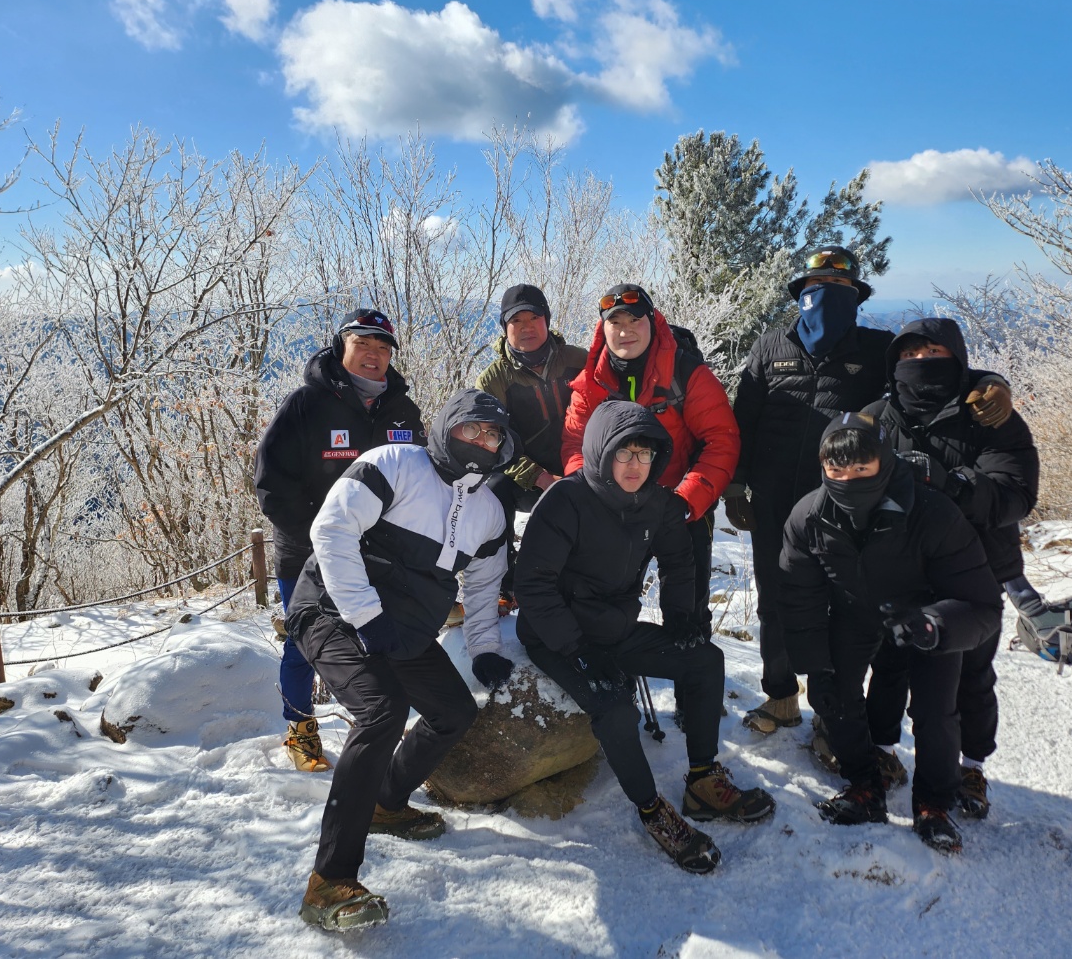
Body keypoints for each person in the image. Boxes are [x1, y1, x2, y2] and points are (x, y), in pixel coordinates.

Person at [727, 245, 1013, 736]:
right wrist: (736, 485)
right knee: (776, 601)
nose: (827, 296)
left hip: (843, 501)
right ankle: (780, 696)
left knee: (841, 609)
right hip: (772, 499)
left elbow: (932, 373)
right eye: (817, 287)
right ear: (801, 294)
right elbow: (744, 419)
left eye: (840, 288)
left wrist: (993, 382)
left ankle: (832, 713)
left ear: (856, 297)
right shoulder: (770, 346)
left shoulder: (876, 348)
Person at [288, 388, 515, 932]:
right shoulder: (395, 463)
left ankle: (386, 802)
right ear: (446, 428)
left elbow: (483, 587)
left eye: (493, 435)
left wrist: (484, 648)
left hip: (402, 629)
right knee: (382, 710)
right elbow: (331, 530)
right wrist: (367, 616)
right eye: (471, 429)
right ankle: (329, 881)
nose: (481, 441)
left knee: (453, 711)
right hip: (330, 610)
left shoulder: (488, 512)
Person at [516, 399, 774, 874]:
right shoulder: (565, 501)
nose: (635, 464)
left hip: (615, 628)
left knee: (705, 660)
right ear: (601, 452)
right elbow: (532, 586)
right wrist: (577, 650)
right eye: (623, 452)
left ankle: (702, 779)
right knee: (614, 707)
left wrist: (679, 618)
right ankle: (653, 811)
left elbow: (679, 560)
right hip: (558, 637)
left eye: (644, 453)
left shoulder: (657, 503)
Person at [778, 413, 1003, 854]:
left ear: (884, 461)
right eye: (836, 470)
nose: (848, 480)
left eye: (862, 468)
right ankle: (865, 785)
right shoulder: (809, 516)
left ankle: (933, 804)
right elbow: (798, 596)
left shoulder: (932, 512)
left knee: (935, 710)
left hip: (928, 616)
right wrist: (813, 663)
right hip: (855, 612)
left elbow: (983, 604)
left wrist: (935, 625)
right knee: (831, 693)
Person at [860, 317, 1041, 819]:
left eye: (933, 353)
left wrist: (953, 483)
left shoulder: (990, 416)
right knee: (890, 665)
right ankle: (883, 752)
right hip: (900, 567)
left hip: (975, 571)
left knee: (971, 676)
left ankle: (971, 767)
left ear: (956, 358)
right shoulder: (877, 417)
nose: (920, 363)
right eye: (910, 355)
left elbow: (1016, 494)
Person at [253, 308, 425, 772]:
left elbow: (419, 483)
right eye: (362, 344)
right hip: (305, 556)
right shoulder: (305, 405)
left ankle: (375, 721)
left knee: (379, 638)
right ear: (340, 347)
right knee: (302, 645)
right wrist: (323, 540)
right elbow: (272, 485)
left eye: (383, 347)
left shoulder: (403, 411)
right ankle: (299, 727)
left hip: (380, 558)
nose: (373, 355)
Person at [561, 284, 739, 631]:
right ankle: (610, 650)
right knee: (603, 597)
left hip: (680, 499)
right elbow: (575, 444)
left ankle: (689, 646)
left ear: (653, 322)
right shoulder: (591, 383)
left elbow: (722, 440)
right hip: (615, 502)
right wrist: (592, 498)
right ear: (603, 328)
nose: (625, 331)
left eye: (635, 320)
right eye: (615, 322)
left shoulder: (688, 374)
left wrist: (686, 500)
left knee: (688, 603)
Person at [476, 283, 588, 510]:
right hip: (528, 479)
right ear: (505, 327)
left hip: (583, 467)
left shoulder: (579, 361)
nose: (526, 327)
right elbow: (495, 444)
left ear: (546, 320)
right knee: (494, 488)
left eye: (534, 317)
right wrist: (540, 477)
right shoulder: (493, 381)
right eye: (516, 320)